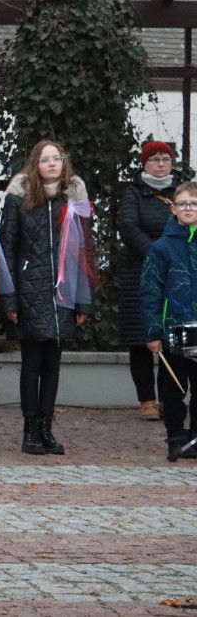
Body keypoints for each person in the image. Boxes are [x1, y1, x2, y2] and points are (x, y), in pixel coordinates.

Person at [0, 140, 94, 456]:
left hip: (63, 294)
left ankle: (46, 429)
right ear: (35, 164)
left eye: (57, 158)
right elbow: (7, 249)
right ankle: (29, 430)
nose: (52, 164)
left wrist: (84, 301)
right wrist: (9, 298)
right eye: (45, 159)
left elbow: (85, 252)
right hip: (29, 291)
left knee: (53, 365)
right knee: (31, 363)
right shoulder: (19, 199)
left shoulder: (75, 199)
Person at [118, 141, 183, 421]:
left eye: (165, 158)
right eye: (154, 159)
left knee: (173, 340)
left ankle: (171, 398)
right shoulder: (133, 193)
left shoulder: (183, 191)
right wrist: (157, 254)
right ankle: (147, 400)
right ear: (144, 163)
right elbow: (128, 227)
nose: (160, 163)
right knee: (141, 340)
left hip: (178, 273)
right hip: (141, 273)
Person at [140, 181, 197, 459]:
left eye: (194, 204)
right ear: (174, 208)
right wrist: (153, 332)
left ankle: (195, 438)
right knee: (174, 388)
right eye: (184, 204)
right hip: (173, 331)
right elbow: (150, 290)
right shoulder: (161, 248)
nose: (189, 209)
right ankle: (176, 437)